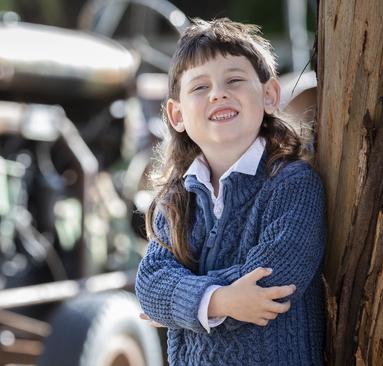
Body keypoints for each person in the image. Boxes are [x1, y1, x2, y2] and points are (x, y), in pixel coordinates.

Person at [135, 18, 326, 365]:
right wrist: (218, 300)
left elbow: (272, 284)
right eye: (199, 87)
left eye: (234, 80)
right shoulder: (177, 200)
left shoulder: (293, 184)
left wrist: (180, 302)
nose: (218, 93)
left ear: (269, 95)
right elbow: (149, 285)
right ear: (176, 115)